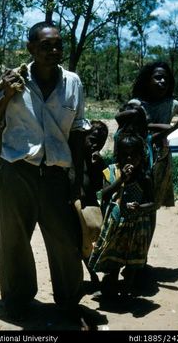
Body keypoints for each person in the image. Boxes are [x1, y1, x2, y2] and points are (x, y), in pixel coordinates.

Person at [0, 21, 92, 326]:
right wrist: (5, 94)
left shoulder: (72, 82)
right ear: (31, 48)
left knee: (66, 242)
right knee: (14, 241)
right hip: (18, 171)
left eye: (57, 45)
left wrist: (77, 180)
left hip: (56, 174)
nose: (53, 51)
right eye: (45, 45)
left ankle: (68, 302)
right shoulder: (14, 79)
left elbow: (78, 131)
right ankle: (17, 300)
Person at [88, 133, 155, 296]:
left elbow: (153, 203)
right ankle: (109, 288)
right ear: (118, 155)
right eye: (125, 154)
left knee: (131, 263)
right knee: (113, 261)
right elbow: (102, 195)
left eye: (134, 154)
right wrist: (121, 180)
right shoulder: (111, 172)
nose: (129, 158)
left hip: (136, 228)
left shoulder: (144, 177)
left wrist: (140, 208)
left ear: (142, 156)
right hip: (115, 226)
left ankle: (126, 291)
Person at [129, 61, 178, 210]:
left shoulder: (171, 104)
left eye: (166, 79)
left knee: (153, 202)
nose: (162, 81)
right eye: (158, 77)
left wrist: (170, 130)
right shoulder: (136, 104)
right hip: (137, 156)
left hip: (161, 158)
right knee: (134, 196)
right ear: (147, 80)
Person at [82, 120, 108, 286]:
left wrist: (98, 165)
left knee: (92, 242)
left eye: (100, 143)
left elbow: (100, 185)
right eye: (92, 140)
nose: (95, 145)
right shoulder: (75, 156)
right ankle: (92, 275)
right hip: (77, 203)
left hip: (89, 204)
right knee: (81, 243)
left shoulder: (95, 160)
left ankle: (95, 273)